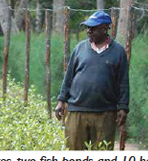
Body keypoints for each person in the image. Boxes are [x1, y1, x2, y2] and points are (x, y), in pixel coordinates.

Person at [54, 11, 129, 150]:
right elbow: (68, 77)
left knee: (102, 154)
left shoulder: (118, 51)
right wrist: (61, 101)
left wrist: (123, 107)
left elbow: (123, 82)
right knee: (73, 153)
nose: (89, 31)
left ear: (105, 28)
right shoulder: (79, 48)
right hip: (77, 110)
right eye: (88, 27)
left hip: (105, 113)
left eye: (93, 28)